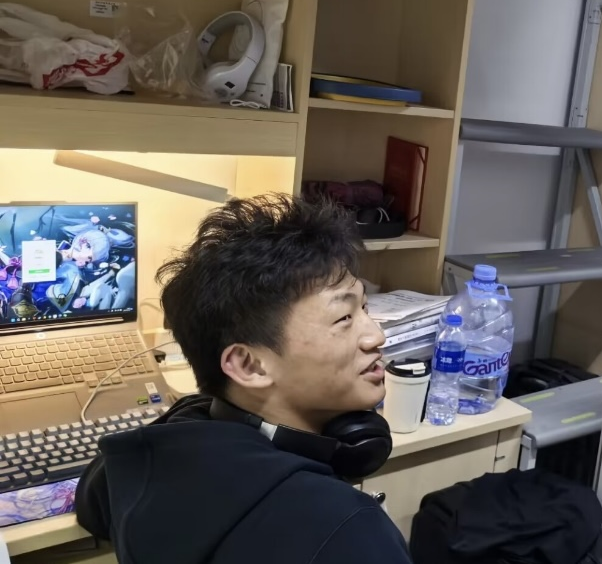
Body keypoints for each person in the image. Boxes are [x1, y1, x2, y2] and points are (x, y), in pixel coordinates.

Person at [76, 194, 410, 564]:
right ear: (249, 366)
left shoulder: (146, 461)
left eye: (364, 307)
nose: (376, 336)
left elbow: (92, 499)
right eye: (343, 318)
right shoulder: (348, 529)